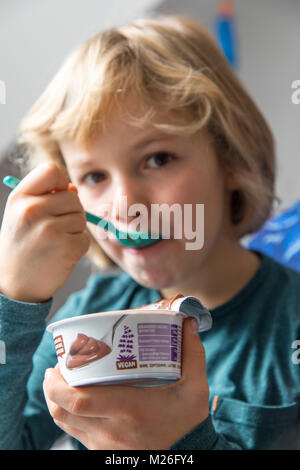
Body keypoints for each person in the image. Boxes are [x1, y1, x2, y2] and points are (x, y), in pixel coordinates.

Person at [0, 15, 299, 450]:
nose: (125, 207)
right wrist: (13, 302)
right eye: (94, 176)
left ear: (231, 161)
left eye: (158, 159)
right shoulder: (83, 321)